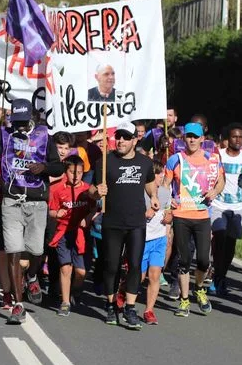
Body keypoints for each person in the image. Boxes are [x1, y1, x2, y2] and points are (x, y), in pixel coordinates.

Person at [0, 87, 65, 323]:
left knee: (36, 251)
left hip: (37, 202)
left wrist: (44, 168)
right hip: (11, 202)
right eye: (15, 121)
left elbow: (59, 167)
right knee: (12, 251)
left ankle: (32, 276)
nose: (19, 126)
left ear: (32, 118)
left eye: (23, 122)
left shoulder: (44, 137)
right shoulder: (3, 135)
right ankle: (18, 304)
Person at [92, 121, 160, 329]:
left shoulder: (144, 162)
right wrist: (97, 192)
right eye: (118, 137)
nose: (120, 141)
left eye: (125, 137)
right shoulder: (105, 161)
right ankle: (111, 305)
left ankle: (130, 308)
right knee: (111, 265)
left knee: (135, 265)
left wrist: (153, 196)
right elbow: (91, 189)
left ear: (134, 140)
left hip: (136, 222)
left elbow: (149, 183)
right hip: (112, 221)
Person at [163, 121, 224, 318]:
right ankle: (184, 300)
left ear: (202, 139)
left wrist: (215, 191)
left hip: (202, 215)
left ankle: (198, 288)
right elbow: (165, 184)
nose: (191, 140)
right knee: (184, 260)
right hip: (181, 215)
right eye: (188, 136)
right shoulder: (175, 159)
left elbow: (221, 180)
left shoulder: (212, 159)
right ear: (184, 138)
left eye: (195, 137)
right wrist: (168, 201)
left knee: (204, 261)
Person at [210, 123, 242, 295]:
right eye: (234, 137)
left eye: (241, 137)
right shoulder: (217, 155)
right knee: (219, 237)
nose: (238, 140)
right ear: (227, 139)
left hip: (237, 207)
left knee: (230, 244)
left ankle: (221, 276)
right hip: (218, 204)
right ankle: (216, 274)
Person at [47, 155, 94, 316]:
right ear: (65, 172)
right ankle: (65, 302)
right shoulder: (56, 189)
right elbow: (50, 210)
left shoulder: (87, 189)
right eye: (72, 172)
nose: (75, 176)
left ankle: (76, 290)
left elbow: (95, 209)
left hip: (81, 234)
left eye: (79, 173)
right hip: (63, 232)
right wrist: (56, 213)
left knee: (81, 272)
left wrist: (88, 218)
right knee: (66, 268)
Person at [141, 158, 171, 325]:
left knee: (155, 275)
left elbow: (169, 212)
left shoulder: (165, 192)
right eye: (157, 174)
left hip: (159, 239)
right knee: (139, 277)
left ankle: (149, 310)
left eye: (162, 174)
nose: (161, 177)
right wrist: (145, 214)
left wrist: (169, 217)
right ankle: (123, 291)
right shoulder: (140, 193)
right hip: (142, 239)